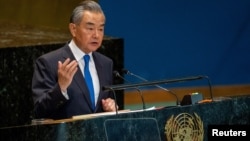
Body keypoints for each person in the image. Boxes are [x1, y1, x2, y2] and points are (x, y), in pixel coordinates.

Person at [32, 0, 117, 120]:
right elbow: (39, 111)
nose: (96, 35)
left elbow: (103, 105)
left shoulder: (106, 63)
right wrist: (61, 88)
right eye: (90, 28)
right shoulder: (49, 62)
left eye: (101, 29)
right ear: (73, 29)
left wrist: (111, 107)